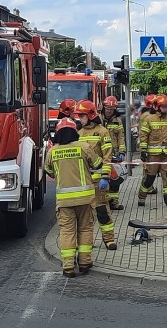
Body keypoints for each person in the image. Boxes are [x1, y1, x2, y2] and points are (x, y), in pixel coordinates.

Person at [44, 118, 100, 278]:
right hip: (85, 199)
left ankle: (68, 266)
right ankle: (84, 263)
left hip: (64, 201)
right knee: (85, 229)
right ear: (75, 132)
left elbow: (48, 170)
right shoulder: (83, 147)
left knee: (67, 232)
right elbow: (97, 163)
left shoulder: (53, 151)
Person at [75, 100, 117, 250]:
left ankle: (109, 239)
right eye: (79, 116)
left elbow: (107, 156)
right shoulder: (78, 134)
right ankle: (88, 241)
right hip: (83, 182)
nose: (79, 118)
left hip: (99, 181)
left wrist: (105, 176)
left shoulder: (102, 132)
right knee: (86, 216)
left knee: (102, 212)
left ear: (91, 115)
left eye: (82, 115)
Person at [139, 94, 167, 207]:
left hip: (166, 155)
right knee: (149, 178)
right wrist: (143, 151)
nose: (165, 108)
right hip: (153, 155)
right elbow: (143, 135)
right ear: (157, 106)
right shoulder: (149, 119)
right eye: (163, 106)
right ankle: (142, 197)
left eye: (166, 106)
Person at [100, 96, 125, 211]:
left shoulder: (117, 121)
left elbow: (121, 137)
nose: (109, 111)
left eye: (111, 109)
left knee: (115, 179)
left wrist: (122, 151)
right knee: (103, 178)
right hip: (102, 154)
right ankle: (103, 202)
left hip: (114, 154)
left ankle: (114, 202)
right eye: (107, 108)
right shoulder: (99, 119)